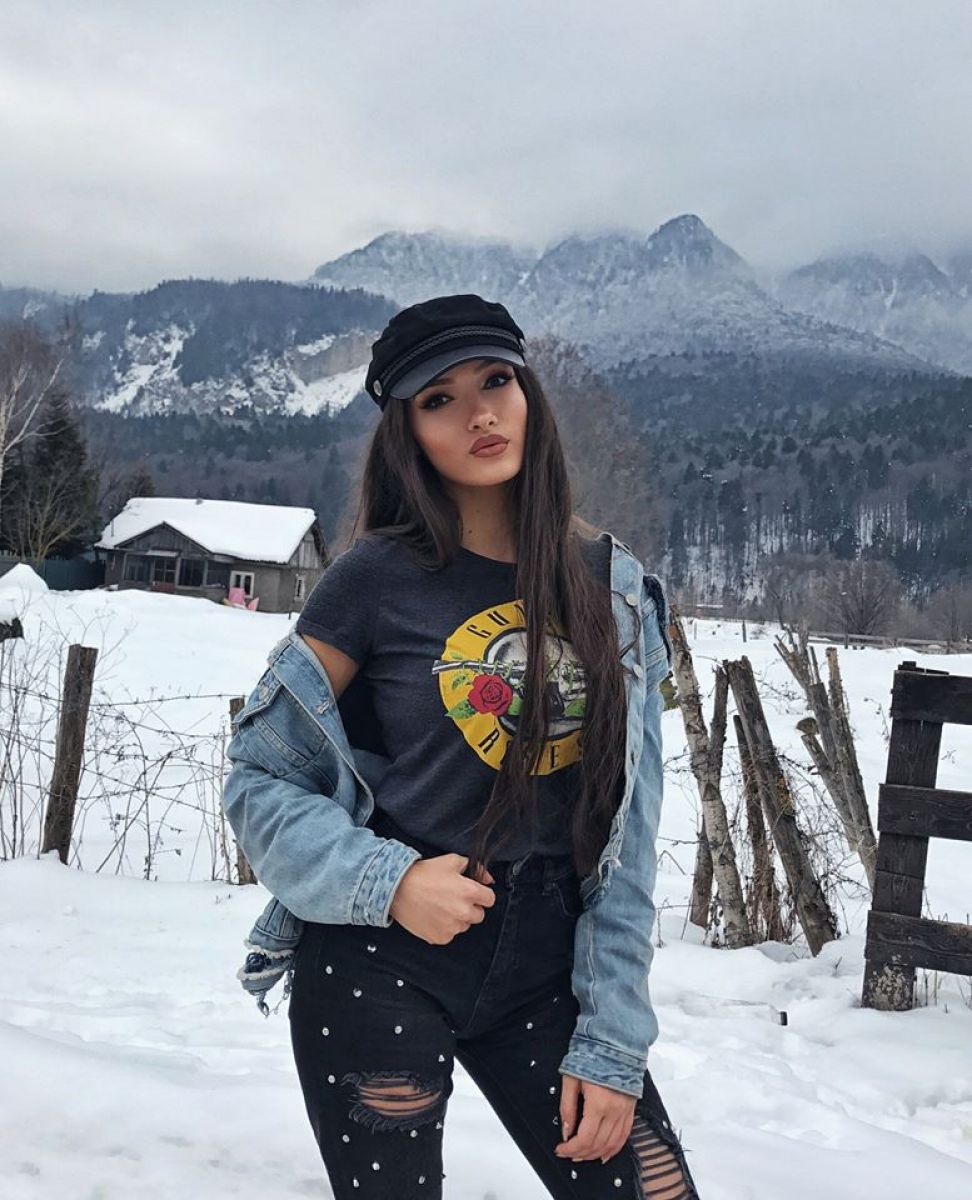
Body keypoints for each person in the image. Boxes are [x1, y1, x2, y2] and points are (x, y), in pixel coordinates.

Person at [221, 294, 701, 1199]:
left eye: (496, 382)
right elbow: (260, 780)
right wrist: (389, 882)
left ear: (528, 395)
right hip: (383, 954)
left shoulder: (611, 586)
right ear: (407, 431)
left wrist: (612, 1037)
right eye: (439, 399)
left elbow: (628, 834)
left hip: (551, 966)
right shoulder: (373, 579)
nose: (480, 413)